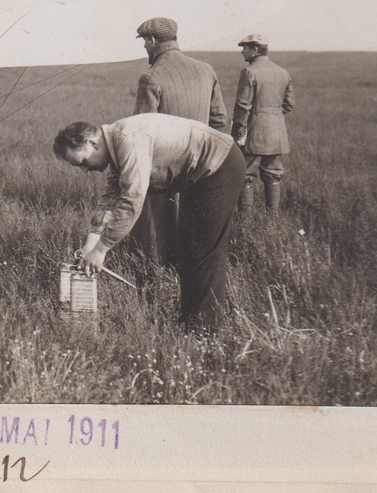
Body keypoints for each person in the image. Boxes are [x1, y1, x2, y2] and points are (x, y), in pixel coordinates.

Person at [53, 113, 245, 330]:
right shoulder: (115, 146)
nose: (85, 170)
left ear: (91, 142)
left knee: (204, 252)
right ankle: (190, 320)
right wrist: (91, 244)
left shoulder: (128, 139)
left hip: (220, 165)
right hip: (198, 175)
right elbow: (110, 198)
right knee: (188, 249)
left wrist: (102, 249)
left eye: (83, 162)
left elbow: (132, 199)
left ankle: (206, 330)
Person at [130, 16, 228, 265]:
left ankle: (158, 272)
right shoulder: (207, 70)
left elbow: (141, 131)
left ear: (153, 41)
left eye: (144, 41)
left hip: (166, 171)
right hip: (205, 167)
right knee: (197, 230)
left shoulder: (151, 77)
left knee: (158, 236)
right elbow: (219, 120)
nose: (144, 47)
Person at [231, 34, 295, 211]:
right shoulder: (283, 72)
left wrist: (238, 132)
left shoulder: (250, 72)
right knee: (273, 175)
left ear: (255, 50)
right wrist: (271, 115)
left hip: (254, 132)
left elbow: (242, 106)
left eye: (245, 48)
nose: (243, 52)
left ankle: (246, 219)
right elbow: (289, 104)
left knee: (246, 175)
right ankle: (272, 218)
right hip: (277, 133)